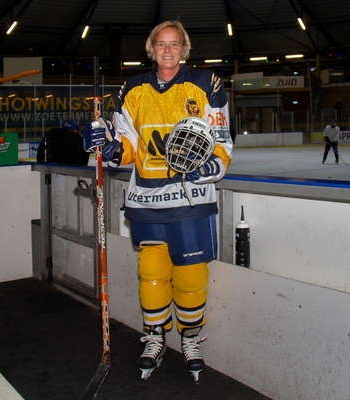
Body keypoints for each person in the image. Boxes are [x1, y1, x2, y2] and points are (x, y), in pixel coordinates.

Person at [82, 20, 233, 383]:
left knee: (191, 274)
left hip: (191, 199)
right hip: (146, 198)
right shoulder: (131, 89)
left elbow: (221, 141)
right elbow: (128, 147)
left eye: (174, 44)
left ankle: (191, 337)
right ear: (151, 49)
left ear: (184, 48)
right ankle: (154, 336)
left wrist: (212, 165)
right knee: (151, 272)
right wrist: (109, 146)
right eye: (161, 44)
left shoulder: (206, 84)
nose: (168, 50)